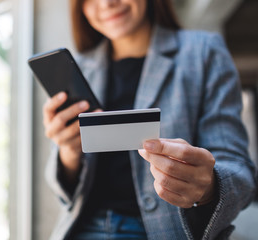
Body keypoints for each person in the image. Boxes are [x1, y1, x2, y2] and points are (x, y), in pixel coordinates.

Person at [43, 0, 257, 239]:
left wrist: (207, 188)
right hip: (81, 229)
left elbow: (240, 171)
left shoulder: (204, 52)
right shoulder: (81, 67)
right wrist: (69, 152)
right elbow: (64, 194)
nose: (107, 3)